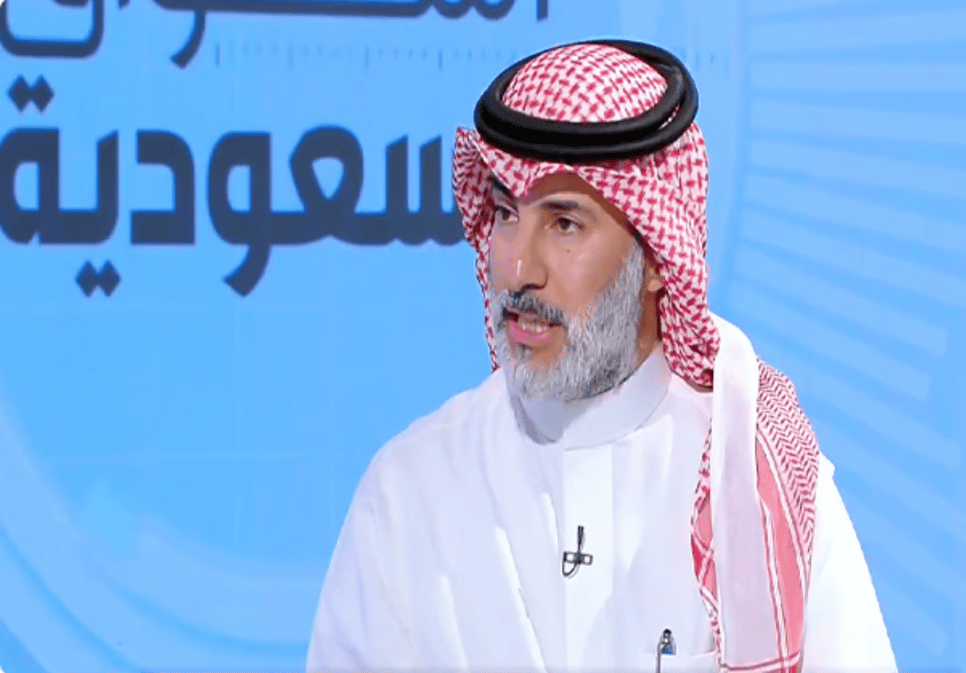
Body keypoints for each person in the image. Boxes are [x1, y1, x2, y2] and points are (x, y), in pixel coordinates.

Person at [307, 39, 897, 673]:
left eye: (564, 223)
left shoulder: (758, 485)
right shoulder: (408, 492)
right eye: (506, 213)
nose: (518, 268)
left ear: (656, 258)